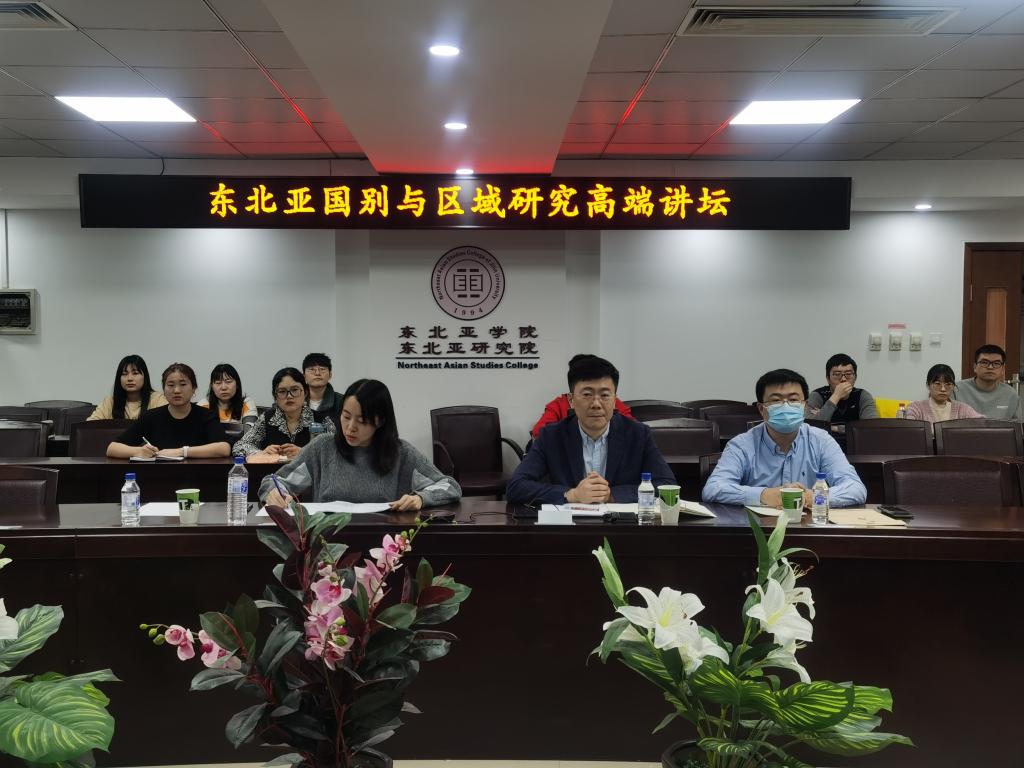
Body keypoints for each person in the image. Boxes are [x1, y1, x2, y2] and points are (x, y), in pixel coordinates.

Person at [259, 378, 460, 512]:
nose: (350, 427)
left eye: (361, 421)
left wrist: (421, 498)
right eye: (346, 416)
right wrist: (275, 493)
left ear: (380, 421)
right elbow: (275, 481)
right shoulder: (322, 447)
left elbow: (449, 486)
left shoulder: (400, 453)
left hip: (383, 548)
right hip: (328, 545)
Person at [507, 356, 674, 505]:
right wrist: (572, 494)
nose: (596, 404)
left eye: (605, 395)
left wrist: (611, 495)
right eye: (587, 394)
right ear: (571, 400)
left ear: (615, 400)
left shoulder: (638, 434)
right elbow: (516, 487)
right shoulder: (551, 436)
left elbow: (667, 484)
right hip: (569, 524)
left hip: (621, 525)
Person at [702, 369, 866, 508]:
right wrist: (764, 495)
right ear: (761, 409)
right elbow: (713, 488)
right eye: (776, 401)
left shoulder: (821, 440)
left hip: (809, 528)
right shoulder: (742, 444)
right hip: (760, 529)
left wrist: (814, 497)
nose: (786, 406)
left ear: (804, 405)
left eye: (793, 400)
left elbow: (856, 488)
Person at [106, 362, 231, 459]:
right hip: (160, 477)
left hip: (198, 476)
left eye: (183, 384)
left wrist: (182, 451)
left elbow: (224, 448)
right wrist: (138, 451)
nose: (176, 390)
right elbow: (112, 448)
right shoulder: (150, 417)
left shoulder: (206, 415)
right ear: (164, 390)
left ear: (194, 388)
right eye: (170, 385)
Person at [233, 367, 336, 462]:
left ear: (305, 393)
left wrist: (304, 453)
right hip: (273, 474)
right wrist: (261, 453)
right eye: (282, 391)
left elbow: (335, 450)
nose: (289, 396)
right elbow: (240, 446)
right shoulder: (267, 418)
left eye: (294, 390)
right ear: (275, 397)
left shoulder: (321, 420)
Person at [530, 354, 634, 439]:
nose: (596, 404)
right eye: (587, 394)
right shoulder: (558, 404)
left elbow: (632, 427)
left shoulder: (611, 400)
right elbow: (539, 432)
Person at [87, 354, 167, 421]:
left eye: (135, 373)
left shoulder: (157, 399)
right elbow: (89, 426)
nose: (129, 378)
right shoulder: (110, 402)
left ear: (145, 377)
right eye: (124, 374)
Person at [953, 344, 1022, 420]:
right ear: (975, 367)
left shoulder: (1011, 394)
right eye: (985, 362)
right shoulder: (957, 389)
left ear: (1003, 369)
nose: (990, 367)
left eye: (996, 363)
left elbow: (1017, 425)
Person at [806, 353, 879, 423]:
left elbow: (872, 427)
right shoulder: (817, 395)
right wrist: (836, 396)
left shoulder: (862, 395)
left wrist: (832, 425)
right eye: (837, 374)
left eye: (848, 374)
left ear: (855, 377)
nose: (843, 379)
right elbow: (810, 426)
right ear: (828, 378)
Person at [906, 363, 982, 423]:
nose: (943, 389)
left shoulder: (961, 409)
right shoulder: (916, 408)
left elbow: (983, 422)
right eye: (937, 384)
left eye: (948, 384)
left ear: (953, 386)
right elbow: (908, 428)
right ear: (928, 385)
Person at [303, 352, 343, 424]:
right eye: (312, 369)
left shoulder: (341, 401)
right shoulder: (297, 401)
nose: (317, 373)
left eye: (322, 369)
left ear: (330, 375)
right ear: (304, 376)